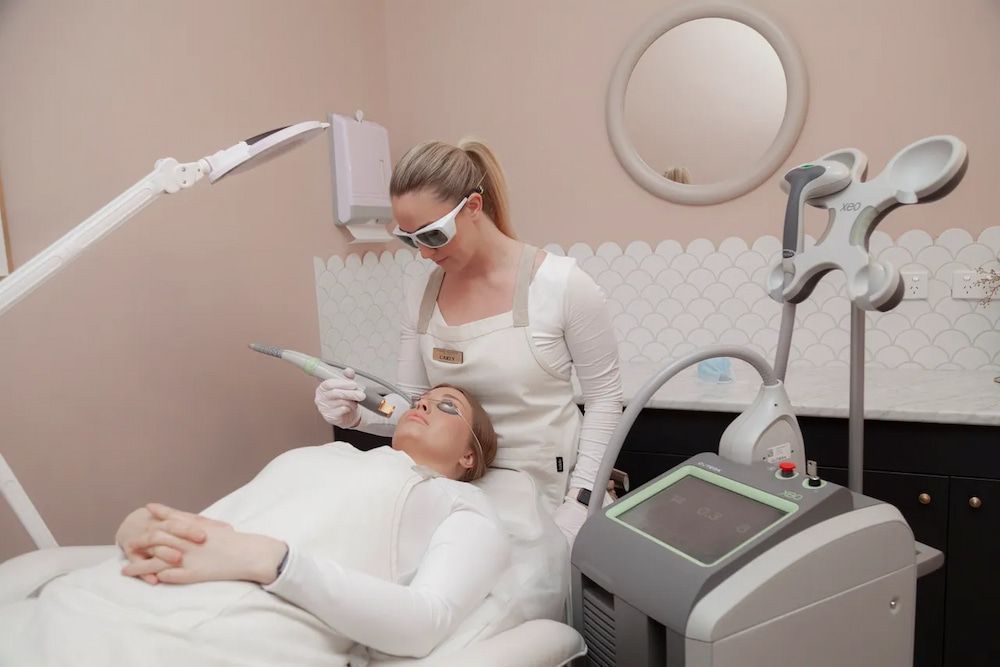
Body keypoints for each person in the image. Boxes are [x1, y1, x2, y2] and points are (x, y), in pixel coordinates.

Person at [0, 385, 509, 665]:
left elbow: (425, 621)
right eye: (420, 399)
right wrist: (140, 529)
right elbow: (228, 522)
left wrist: (273, 561)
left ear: (470, 455)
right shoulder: (328, 454)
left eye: (446, 406)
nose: (423, 404)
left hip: (217, 631)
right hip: (112, 593)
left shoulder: (463, 505)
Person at [316, 139, 624, 545]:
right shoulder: (423, 295)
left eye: (433, 235)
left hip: (549, 496)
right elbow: (410, 404)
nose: (424, 254)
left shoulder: (563, 286)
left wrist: (581, 500)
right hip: (457, 493)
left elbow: (605, 399)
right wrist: (360, 414)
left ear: (474, 207)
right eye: (410, 239)